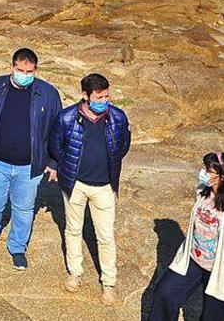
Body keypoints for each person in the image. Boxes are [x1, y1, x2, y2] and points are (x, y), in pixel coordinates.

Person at [0, 48, 62, 271]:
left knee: (24, 208)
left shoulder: (48, 94)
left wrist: (54, 162)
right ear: (11, 67)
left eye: (29, 71)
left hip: (30, 167)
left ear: (36, 70)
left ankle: (18, 247)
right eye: (20, 70)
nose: (25, 74)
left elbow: (58, 131)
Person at [148, 152, 224, 321]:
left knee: (214, 316)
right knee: (164, 294)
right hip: (193, 259)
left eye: (207, 170)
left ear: (222, 176)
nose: (203, 172)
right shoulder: (202, 192)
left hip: (220, 267)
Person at [50, 73, 131, 305]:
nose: (104, 100)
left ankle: (109, 283)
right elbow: (56, 146)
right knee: (73, 230)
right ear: (85, 96)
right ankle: (75, 272)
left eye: (106, 96)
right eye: (99, 96)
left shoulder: (117, 117)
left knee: (105, 236)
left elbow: (123, 145)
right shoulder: (66, 118)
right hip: (75, 185)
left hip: (104, 186)